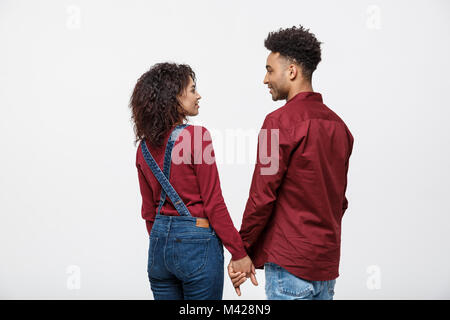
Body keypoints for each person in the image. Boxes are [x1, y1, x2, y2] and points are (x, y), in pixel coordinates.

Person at [228, 25, 354, 300]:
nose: (265, 79)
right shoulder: (340, 128)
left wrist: (242, 249)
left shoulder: (278, 123)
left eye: (270, 70)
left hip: (289, 266)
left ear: (292, 71)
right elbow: (338, 201)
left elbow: (262, 196)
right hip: (326, 267)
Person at [129, 62, 256, 300]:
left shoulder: (143, 149)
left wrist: (166, 244)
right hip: (196, 247)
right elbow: (214, 204)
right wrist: (239, 253)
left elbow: (149, 212)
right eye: (192, 89)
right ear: (174, 97)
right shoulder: (196, 137)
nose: (199, 96)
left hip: (158, 251)